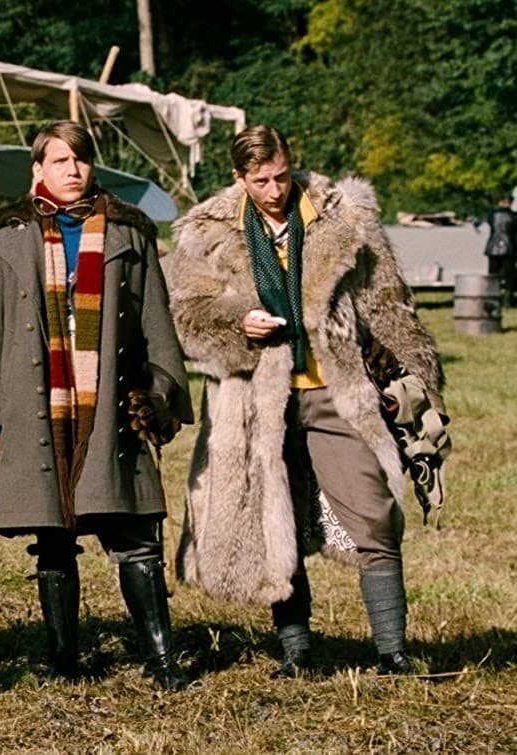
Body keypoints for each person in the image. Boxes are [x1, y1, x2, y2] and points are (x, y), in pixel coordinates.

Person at [169, 125, 445, 678]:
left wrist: (417, 380)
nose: (275, 190)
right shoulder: (207, 233)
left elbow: (389, 304)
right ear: (239, 178)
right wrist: (237, 322)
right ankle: (296, 652)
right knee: (279, 524)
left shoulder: (343, 218)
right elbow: (186, 316)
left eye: (282, 176)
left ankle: (392, 651)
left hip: (338, 392)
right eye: (261, 181)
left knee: (374, 514)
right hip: (253, 400)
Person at [0, 121, 194, 690]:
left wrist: (161, 394)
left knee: (136, 532)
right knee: (53, 536)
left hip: (114, 404)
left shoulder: (129, 234)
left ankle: (162, 662)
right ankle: (64, 662)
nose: (72, 170)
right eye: (60, 160)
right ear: (38, 169)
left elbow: (158, 324)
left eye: (81, 159)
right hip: (37, 408)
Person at [484, 196, 515, 301]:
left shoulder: (492, 215)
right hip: (509, 248)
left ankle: (492, 298)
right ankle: (507, 299)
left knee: (493, 275)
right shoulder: (513, 216)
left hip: (492, 248)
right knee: (509, 276)